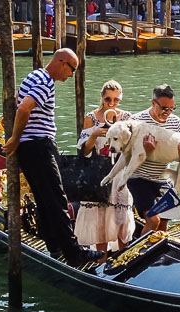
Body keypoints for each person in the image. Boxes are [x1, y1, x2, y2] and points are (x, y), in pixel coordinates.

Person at [2, 49, 104, 266]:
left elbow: (21, 104)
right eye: (72, 69)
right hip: (39, 145)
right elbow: (23, 108)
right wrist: (14, 138)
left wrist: (18, 140)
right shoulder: (45, 81)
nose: (71, 75)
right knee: (57, 199)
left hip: (30, 148)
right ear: (61, 62)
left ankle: (54, 246)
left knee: (44, 198)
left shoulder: (34, 75)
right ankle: (74, 253)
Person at [74, 81, 135, 263]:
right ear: (102, 97)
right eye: (108, 99)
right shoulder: (91, 118)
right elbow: (84, 152)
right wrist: (94, 135)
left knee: (121, 218)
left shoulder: (126, 117)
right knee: (100, 220)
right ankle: (101, 261)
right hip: (98, 173)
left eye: (116, 99)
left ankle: (124, 261)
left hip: (119, 174)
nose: (111, 103)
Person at [127, 84, 180, 235]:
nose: (168, 113)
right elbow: (126, 155)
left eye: (171, 109)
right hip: (139, 178)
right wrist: (144, 151)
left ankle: (157, 253)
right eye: (164, 108)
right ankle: (142, 254)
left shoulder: (176, 123)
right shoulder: (136, 120)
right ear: (153, 103)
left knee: (165, 220)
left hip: (162, 178)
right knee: (153, 220)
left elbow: (178, 157)